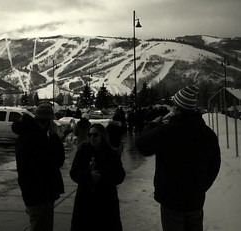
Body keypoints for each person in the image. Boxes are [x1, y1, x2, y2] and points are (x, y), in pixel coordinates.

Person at [136, 85, 221, 231]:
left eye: (174, 105)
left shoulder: (167, 131)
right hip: (195, 200)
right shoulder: (208, 134)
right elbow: (215, 165)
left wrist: (153, 125)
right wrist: (201, 187)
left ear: (177, 108)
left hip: (171, 200)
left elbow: (142, 145)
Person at [11, 103, 65, 231]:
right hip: (40, 192)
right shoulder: (36, 138)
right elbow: (57, 160)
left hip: (34, 192)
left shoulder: (28, 134)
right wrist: (54, 137)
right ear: (47, 121)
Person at [70, 123, 126, 231]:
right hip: (85, 200)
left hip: (105, 201)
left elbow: (120, 176)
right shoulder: (82, 152)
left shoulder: (111, 154)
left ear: (102, 136)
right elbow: (74, 173)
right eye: (90, 135)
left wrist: (103, 177)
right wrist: (88, 176)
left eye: (95, 135)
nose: (92, 137)